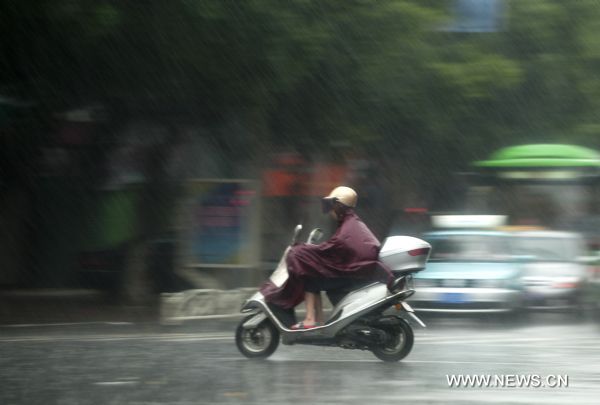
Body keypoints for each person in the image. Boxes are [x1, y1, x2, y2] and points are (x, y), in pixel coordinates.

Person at [259, 186, 393, 330]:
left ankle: (310, 319)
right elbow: (335, 248)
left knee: (310, 278)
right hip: (356, 271)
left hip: (351, 274)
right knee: (314, 275)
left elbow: (331, 248)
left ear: (339, 206)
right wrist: (312, 250)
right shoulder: (353, 223)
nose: (330, 211)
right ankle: (320, 321)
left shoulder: (347, 228)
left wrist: (303, 250)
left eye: (332, 206)